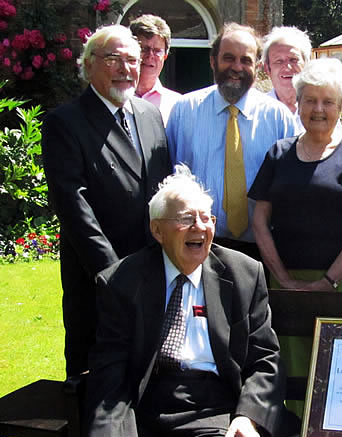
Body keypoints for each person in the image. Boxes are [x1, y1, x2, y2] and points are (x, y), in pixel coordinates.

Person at [78, 165, 292, 437]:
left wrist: (249, 417)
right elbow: (110, 362)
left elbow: (265, 357)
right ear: (157, 230)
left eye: (207, 218)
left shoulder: (243, 274)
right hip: (143, 404)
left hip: (213, 407)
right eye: (186, 219)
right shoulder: (123, 280)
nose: (200, 227)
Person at [249, 57, 342, 415]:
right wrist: (282, 278)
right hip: (286, 282)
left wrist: (328, 281)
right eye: (310, 100)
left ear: (341, 106)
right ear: (299, 103)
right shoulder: (279, 153)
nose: (318, 109)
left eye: (328, 101)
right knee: (291, 368)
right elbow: (259, 219)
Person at [42, 25, 171, 377]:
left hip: (153, 272)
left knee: (151, 375)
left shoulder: (149, 115)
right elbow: (73, 206)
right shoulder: (65, 123)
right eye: (113, 58)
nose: (125, 68)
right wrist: (114, 274)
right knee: (97, 378)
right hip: (97, 279)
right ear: (88, 64)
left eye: (132, 59)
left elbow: (162, 190)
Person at [167, 23, 297, 261]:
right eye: (228, 58)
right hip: (197, 246)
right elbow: (169, 179)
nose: (237, 67)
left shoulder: (279, 118)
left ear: (257, 67)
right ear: (213, 61)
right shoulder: (184, 111)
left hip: (262, 251)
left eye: (245, 60)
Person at [129, 14, 181, 125]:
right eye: (144, 49)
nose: (150, 55)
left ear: (165, 56)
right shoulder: (115, 97)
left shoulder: (177, 105)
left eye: (157, 51)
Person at [262, 26, 312, 132]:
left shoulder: (320, 110)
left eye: (293, 60)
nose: (287, 67)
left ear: (306, 64)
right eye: (279, 61)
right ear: (267, 68)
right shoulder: (257, 112)